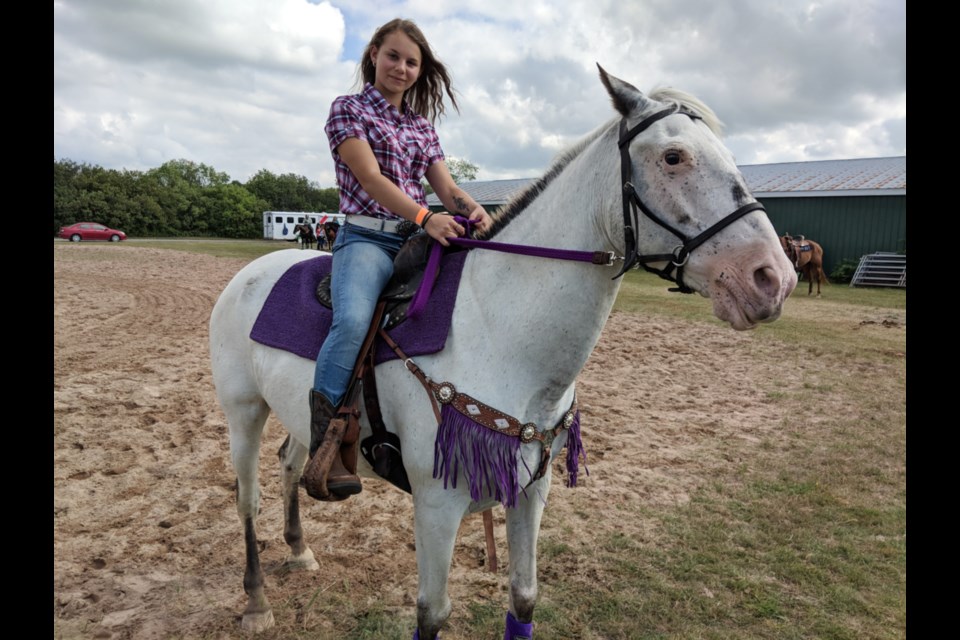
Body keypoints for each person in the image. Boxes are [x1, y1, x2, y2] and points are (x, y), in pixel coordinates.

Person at [306, 18, 493, 499]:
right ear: (373, 54)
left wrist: (470, 208)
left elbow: (446, 187)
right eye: (394, 56)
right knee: (350, 322)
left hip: (418, 237)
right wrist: (425, 215)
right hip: (367, 239)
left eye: (412, 62)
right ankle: (324, 446)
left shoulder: (420, 126)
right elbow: (369, 178)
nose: (403, 68)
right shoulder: (347, 109)